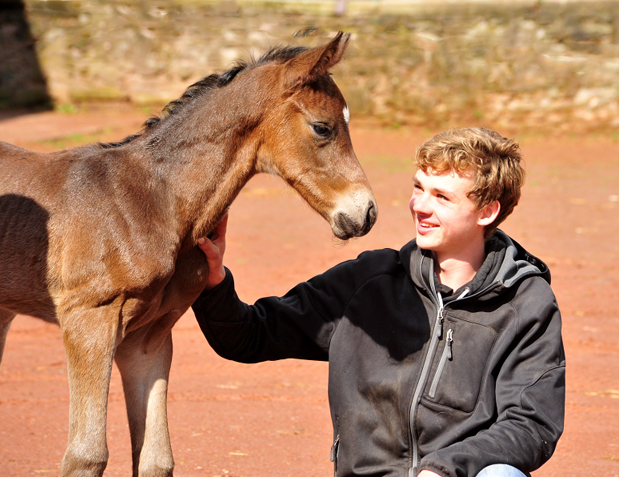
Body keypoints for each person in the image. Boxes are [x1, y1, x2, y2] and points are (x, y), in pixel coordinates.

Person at [192, 127, 565, 477]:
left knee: (501, 475)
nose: (419, 206)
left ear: (487, 212)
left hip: (456, 475)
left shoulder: (525, 303)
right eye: (419, 188)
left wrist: (444, 468)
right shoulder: (370, 281)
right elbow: (248, 335)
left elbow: (532, 424)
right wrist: (213, 282)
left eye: (441, 197)